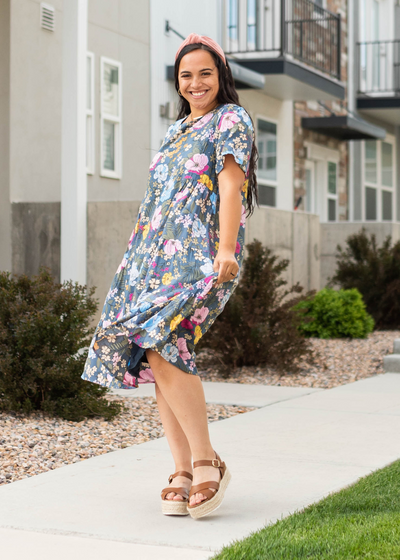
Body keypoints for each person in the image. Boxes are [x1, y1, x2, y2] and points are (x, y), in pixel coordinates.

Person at [81, 33, 258, 519]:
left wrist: (225, 248)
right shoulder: (175, 130)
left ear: (220, 76)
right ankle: (182, 469)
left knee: (163, 343)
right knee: (161, 352)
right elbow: (156, 202)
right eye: (186, 76)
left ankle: (207, 462)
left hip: (200, 254)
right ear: (178, 83)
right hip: (151, 257)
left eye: (205, 73)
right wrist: (134, 261)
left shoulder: (231, 119)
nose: (196, 83)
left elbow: (229, 184)